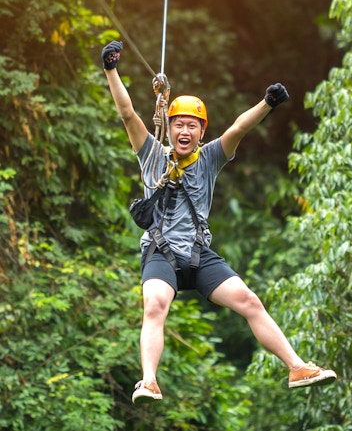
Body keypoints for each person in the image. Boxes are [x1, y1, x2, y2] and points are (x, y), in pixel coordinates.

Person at [101, 41, 337, 404]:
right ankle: (148, 381)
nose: (183, 131)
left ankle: (297, 366)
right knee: (154, 306)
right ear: (168, 124)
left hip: (197, 255)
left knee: (249, 301)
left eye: (191, 126)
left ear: (200, 130)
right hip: (160, 253)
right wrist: (111, 70)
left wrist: (268, 103)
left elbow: (239, 128)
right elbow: (127, 113)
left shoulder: (210, 157)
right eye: (178, 123)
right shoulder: (151, 154)